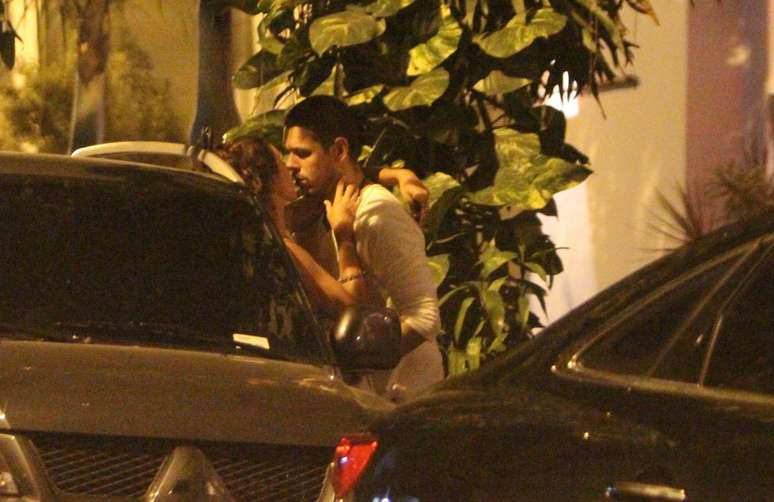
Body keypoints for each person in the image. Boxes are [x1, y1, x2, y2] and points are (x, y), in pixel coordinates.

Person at [283, 95, 444, 401]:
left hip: (399, 399)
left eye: (302, 153)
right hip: (358, 398)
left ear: (339, 150)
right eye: (287, 152)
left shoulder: (376, 214)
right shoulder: (318, 206)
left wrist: (353, 365)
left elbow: (424, 317)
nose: (290, 164)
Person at [214, 137, 368, 318]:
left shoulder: (251, 239)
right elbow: (354, 313)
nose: (289, 166)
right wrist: (344, 237)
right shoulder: (282, 248)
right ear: (271, 180)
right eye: (281, 161)